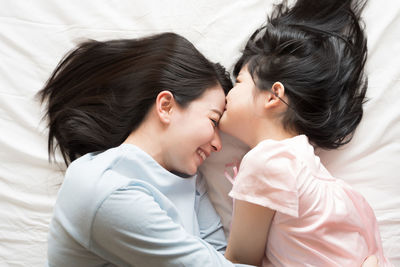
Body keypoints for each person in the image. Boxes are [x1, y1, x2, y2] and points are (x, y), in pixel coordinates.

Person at [38, 32, 253, 266]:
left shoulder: (190, 180)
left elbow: (219, 255)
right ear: (166, 107)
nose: (218, 144)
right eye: (213, 121)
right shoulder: (105, 190)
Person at [219, 0, 393, 266]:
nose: (227, 95)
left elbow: (241, 259)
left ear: (273, 95)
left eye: (239, 82)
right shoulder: (314, 172)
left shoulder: (267, 161)